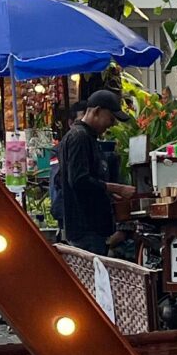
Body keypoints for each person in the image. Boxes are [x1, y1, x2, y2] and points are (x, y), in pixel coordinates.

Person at [56, 89, 136, 254]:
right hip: (86, 227)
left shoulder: (85, 137)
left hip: (89, 227)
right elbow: (79, 180)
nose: (112, 124)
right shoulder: (80, 137)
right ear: (97, 111)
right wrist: (116, 188)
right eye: (111, 119)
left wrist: (108, 193)